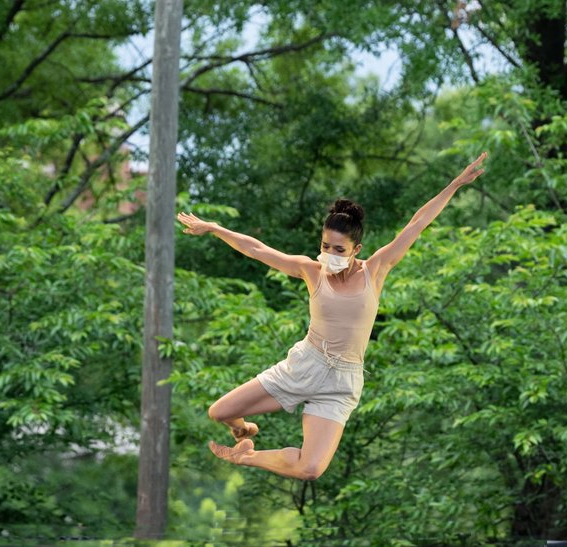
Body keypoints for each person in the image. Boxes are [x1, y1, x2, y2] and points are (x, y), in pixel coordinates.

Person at [176, 152, 487, 480]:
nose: (329, 255)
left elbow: (417, 223)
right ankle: (244, 430)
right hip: (306, 364)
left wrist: (455, 184)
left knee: (310, 469)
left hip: (341, 382)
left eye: (339, 250)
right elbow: (257, 249)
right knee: (220, 412)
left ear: (357, 249)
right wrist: (213, 228)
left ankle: (244, 457)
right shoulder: (311, 270)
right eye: (326, 246)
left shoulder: (376, 270)